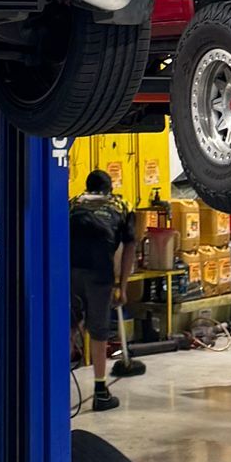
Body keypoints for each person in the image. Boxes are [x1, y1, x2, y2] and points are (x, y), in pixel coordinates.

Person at [70, 169, 135, 411]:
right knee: (98, 332)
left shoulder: (72, 203)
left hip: (69, 271)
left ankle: (56, 389)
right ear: (110, 189)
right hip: (99, 274)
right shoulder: (121, 205)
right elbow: (129, 247)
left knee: (67, 327)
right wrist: (122, 286)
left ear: (86, 188)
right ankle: (100, 392)